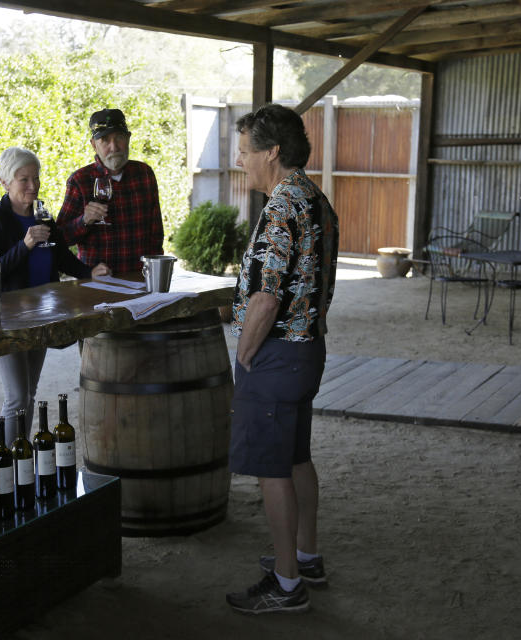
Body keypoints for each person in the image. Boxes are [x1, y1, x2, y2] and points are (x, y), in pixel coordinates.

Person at [224, 104, 339, 615]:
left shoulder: (279, 208)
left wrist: (245, 354)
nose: (240, 162)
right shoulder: (315, 198)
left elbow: (267, 298)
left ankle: (287, 585)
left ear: (272, 153)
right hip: (307, 349)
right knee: (295, 458)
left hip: (275, 356)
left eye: (246, 152)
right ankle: (306, 555)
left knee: (272, 469)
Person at [0, 147, 110, 441]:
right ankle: (11, 461)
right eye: (23, 179)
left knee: (29, 393)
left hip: (41, 313)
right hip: (8, 317)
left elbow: (62, 256)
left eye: (35, 179)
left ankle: (21, 456)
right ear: (4, 181)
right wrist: (24, 245)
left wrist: (89, 273)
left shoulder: (42, 213)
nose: (32, 186)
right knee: (16, 396)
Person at [56, 108, 163, 274]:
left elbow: (156, 234)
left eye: (119, 138)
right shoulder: (80, 180)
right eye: (105, 140)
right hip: (99, 284)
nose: (114, 147)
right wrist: (84, 221)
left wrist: (156, 272)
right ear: (94, 145)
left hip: (140, 279)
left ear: (128, 138)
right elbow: (60, 239)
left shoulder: (144, 174)